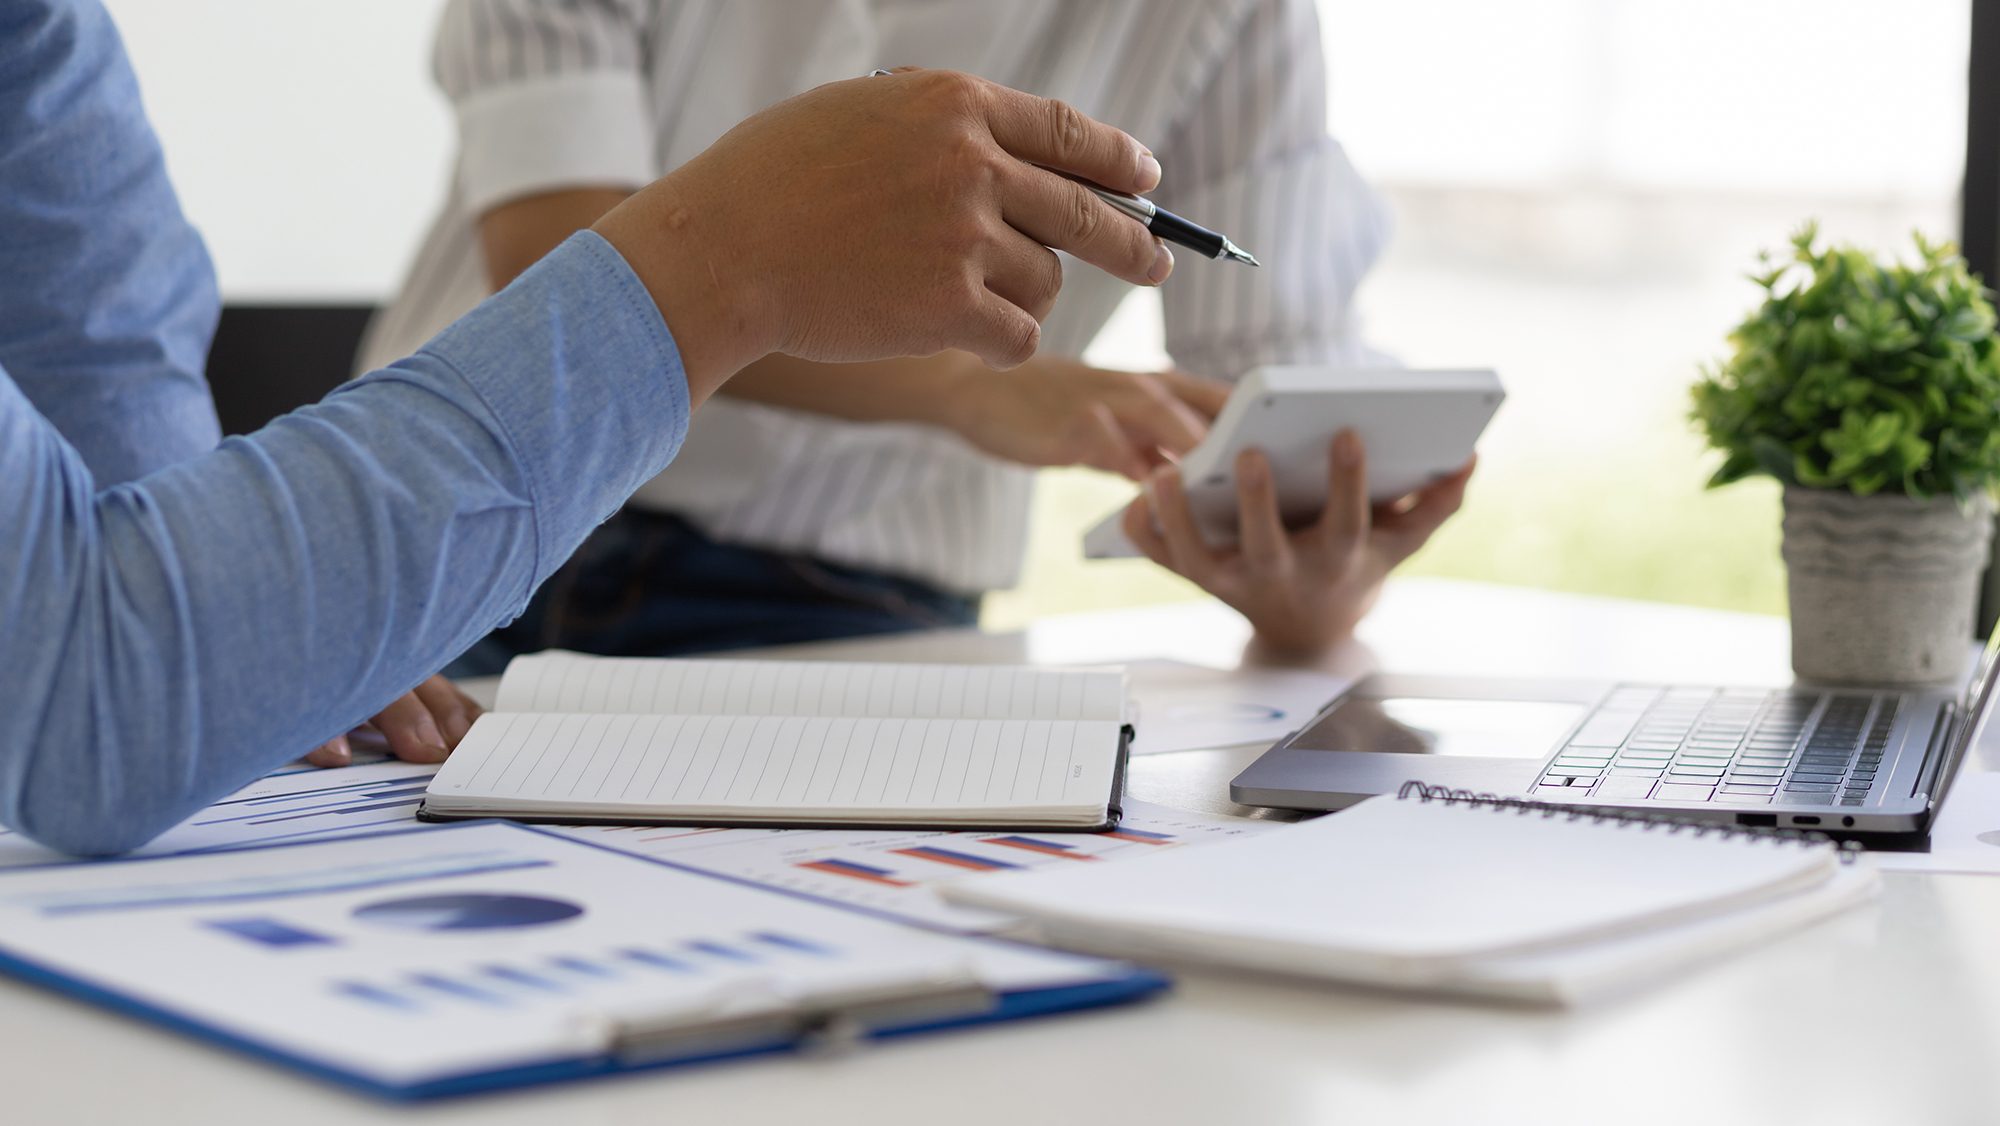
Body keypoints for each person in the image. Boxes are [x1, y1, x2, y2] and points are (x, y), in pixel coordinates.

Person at [1, 0, 1175, 855]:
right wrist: (728, 261)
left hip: (671, 609)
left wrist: (251, 621)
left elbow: (109, 431)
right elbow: (85, 685)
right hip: (534, 579)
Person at [365, 0, 1474, 671]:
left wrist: (1309, 575)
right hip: (454, 521)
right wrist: (965, 390)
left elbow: (1276, 385)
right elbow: (560, 254)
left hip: (842, 607)